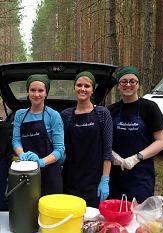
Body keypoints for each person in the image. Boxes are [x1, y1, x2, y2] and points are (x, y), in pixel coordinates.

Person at [108, 66, 163, 203]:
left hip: (141, 175)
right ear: (118, 86)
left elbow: (162, 141)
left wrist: (136, 158)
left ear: (138, 84)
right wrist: (111, 155)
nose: (128, 84)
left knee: (139, 215)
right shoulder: (112, 110)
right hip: (116, 174)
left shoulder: (150, 108)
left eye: (132, 81)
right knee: (117, 214)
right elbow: (104, 139)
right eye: (123, 81)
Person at [61, 71, 112, 208]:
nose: (82, 89)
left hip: (94, 179)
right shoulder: (66, 115)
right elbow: (60, 146)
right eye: (79, 85)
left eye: (87, 86)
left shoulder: (102, 113)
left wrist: (105, 179)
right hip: (70, 178)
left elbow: (108, 150)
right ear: (74, 88)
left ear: (92, 90)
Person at [12, 74, 64, 196]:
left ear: (46, 93)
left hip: (50, 172)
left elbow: (59, 150)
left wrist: (41, 162)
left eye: (40, 90)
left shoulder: (53, 115)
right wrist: (22, 154)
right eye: (33, 90)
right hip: (26, 171)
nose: (36, 94)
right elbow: (16, 141)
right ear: (28, 92)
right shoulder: (20, 115)